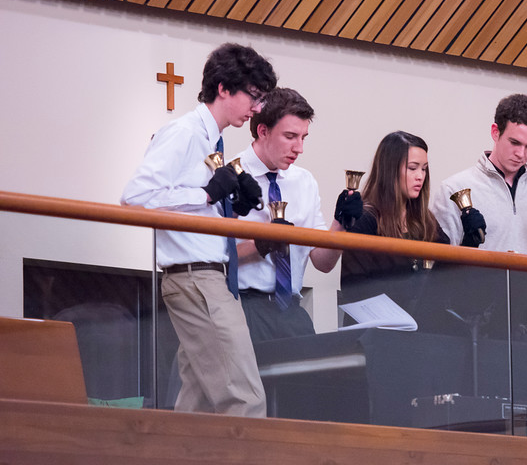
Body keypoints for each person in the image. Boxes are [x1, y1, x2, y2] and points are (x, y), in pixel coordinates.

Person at [122, 43, 277, 417]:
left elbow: (195, 208)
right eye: (253, 97)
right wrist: (206, 194)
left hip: (207, 278)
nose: (257, 108)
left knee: (200, 405)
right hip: (196, 279)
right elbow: (135, 198)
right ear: (223, 88)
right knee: (245, 399)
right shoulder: (185, 133)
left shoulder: (212, 141)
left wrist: (232, 208)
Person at [233, 87, 345, 343]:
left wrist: (341, 223)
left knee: (309, 381)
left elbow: (323, 262)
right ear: (263, 131)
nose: (299, 148)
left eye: (304, 137)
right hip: (244, 306)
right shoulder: (230, 176)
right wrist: (262, 244)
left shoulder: (304, 181)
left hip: (291, 310)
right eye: (291, 136)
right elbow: (215, 259)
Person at [432, 93, 527, 254]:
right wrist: (467, 245)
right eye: (515, 142)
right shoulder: (453, 189)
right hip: (477, 280)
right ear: (495, 132)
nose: (521, 153)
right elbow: (440, 264)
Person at [340, 131, 451, 312]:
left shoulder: (425, 220)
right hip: (376, 330)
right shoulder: (366, 219)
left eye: (424, 169)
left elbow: (447, 274)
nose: (420, 176)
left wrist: (470, 242)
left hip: (420, 328)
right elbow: (354, 288)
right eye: (413, 168)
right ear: (390, 170)